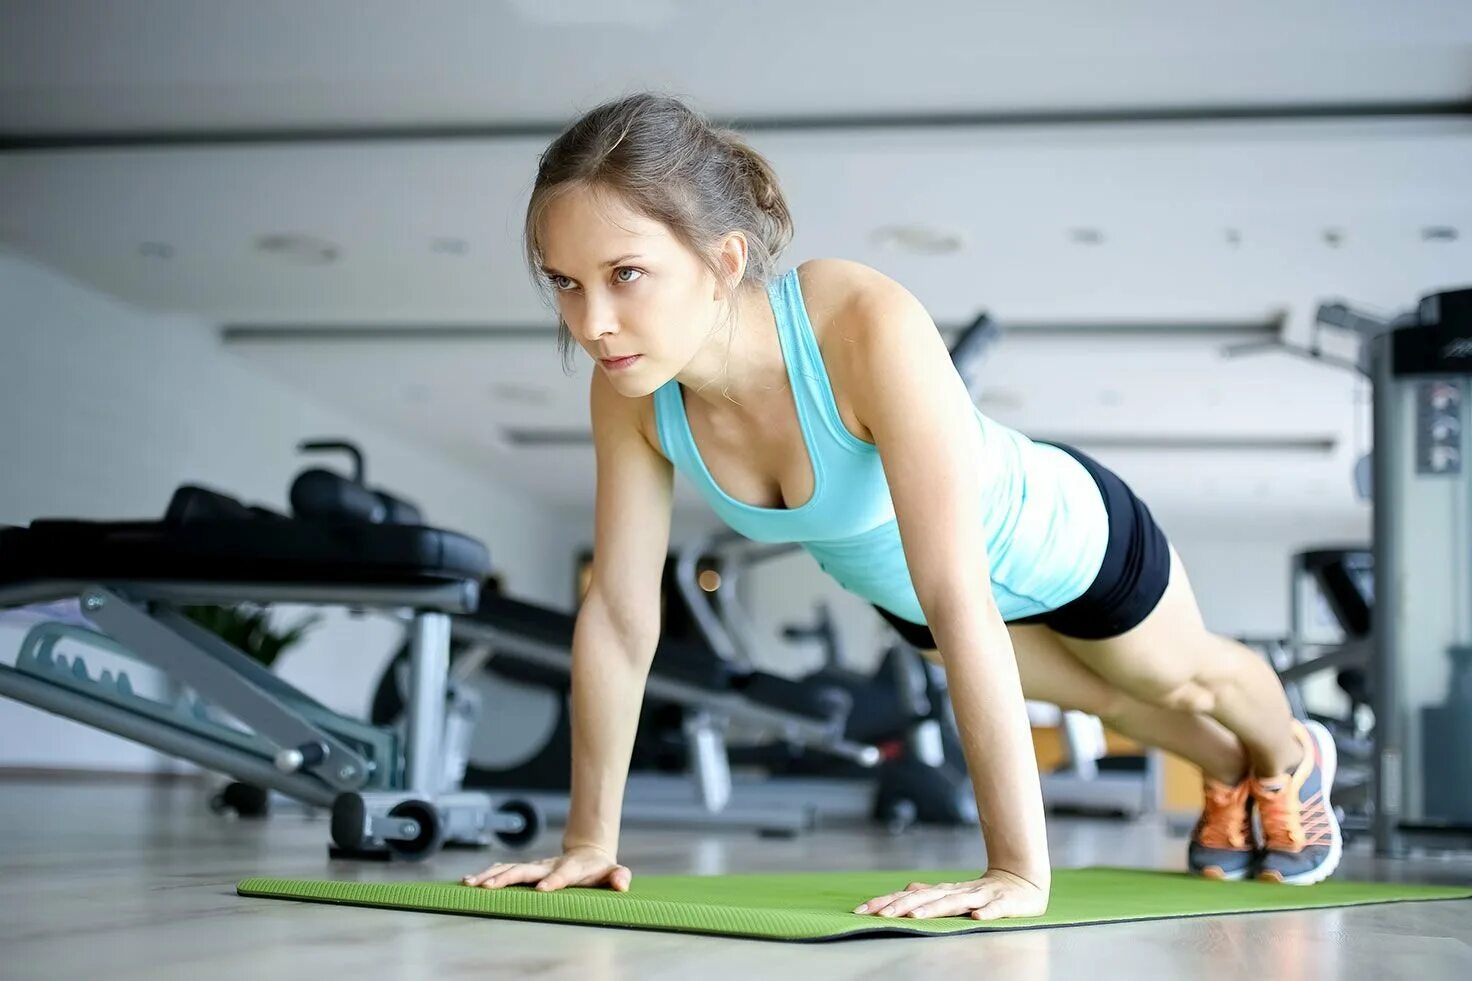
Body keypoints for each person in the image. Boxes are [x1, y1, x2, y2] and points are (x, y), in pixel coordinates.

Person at [462, 93, 1341, 922]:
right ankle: (1234, 774)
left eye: (625, 274)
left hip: (1061, 539)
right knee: (1117, 706)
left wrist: (1017, 869)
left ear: (723, 261)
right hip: (919, 597)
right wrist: (588, 841)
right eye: (566, 283)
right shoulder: (631, 394)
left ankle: (1290, 757)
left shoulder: (857, 321)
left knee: (1174, 677)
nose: (593, 322)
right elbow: (619, 614)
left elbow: (961, 590)